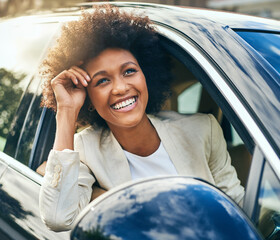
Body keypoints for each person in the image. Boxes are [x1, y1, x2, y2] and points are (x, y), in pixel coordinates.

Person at [39, 5, 244, 232]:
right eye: (102, 81)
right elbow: (58, 217)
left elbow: (238, 209)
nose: (120, 88)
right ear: (88, 97)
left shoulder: (203, 130)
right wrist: (66, 110)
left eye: (129, 71)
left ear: (146, 75)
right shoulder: (85, 149)